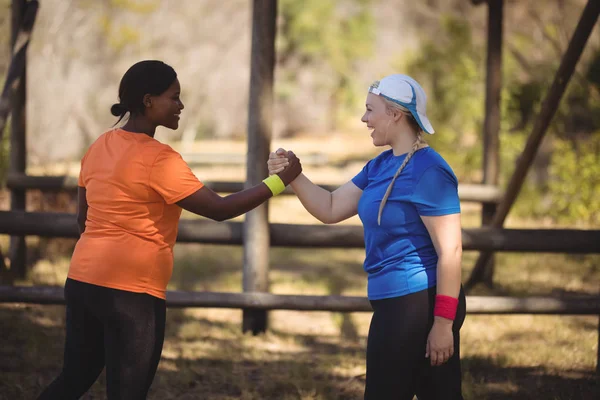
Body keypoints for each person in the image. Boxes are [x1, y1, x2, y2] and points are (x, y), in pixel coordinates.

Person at [38, 60, 301, 400]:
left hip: (82, 282)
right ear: (149, 101)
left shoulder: (98, 146)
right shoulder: (160, 159)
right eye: (174, 97)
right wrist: (280, 181)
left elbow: (82, 220)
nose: (180, 106)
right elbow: (219, 209)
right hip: (133, 294)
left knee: (73, 378)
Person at [268, 74, 466, 399]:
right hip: (393, 304)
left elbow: (452, 251)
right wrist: (293, 175)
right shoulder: (380, 166)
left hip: (421, 302)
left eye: (370, 110)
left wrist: (443, 325)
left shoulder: (429, 170)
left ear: (395, 114)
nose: (364, 119)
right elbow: (330, 208)